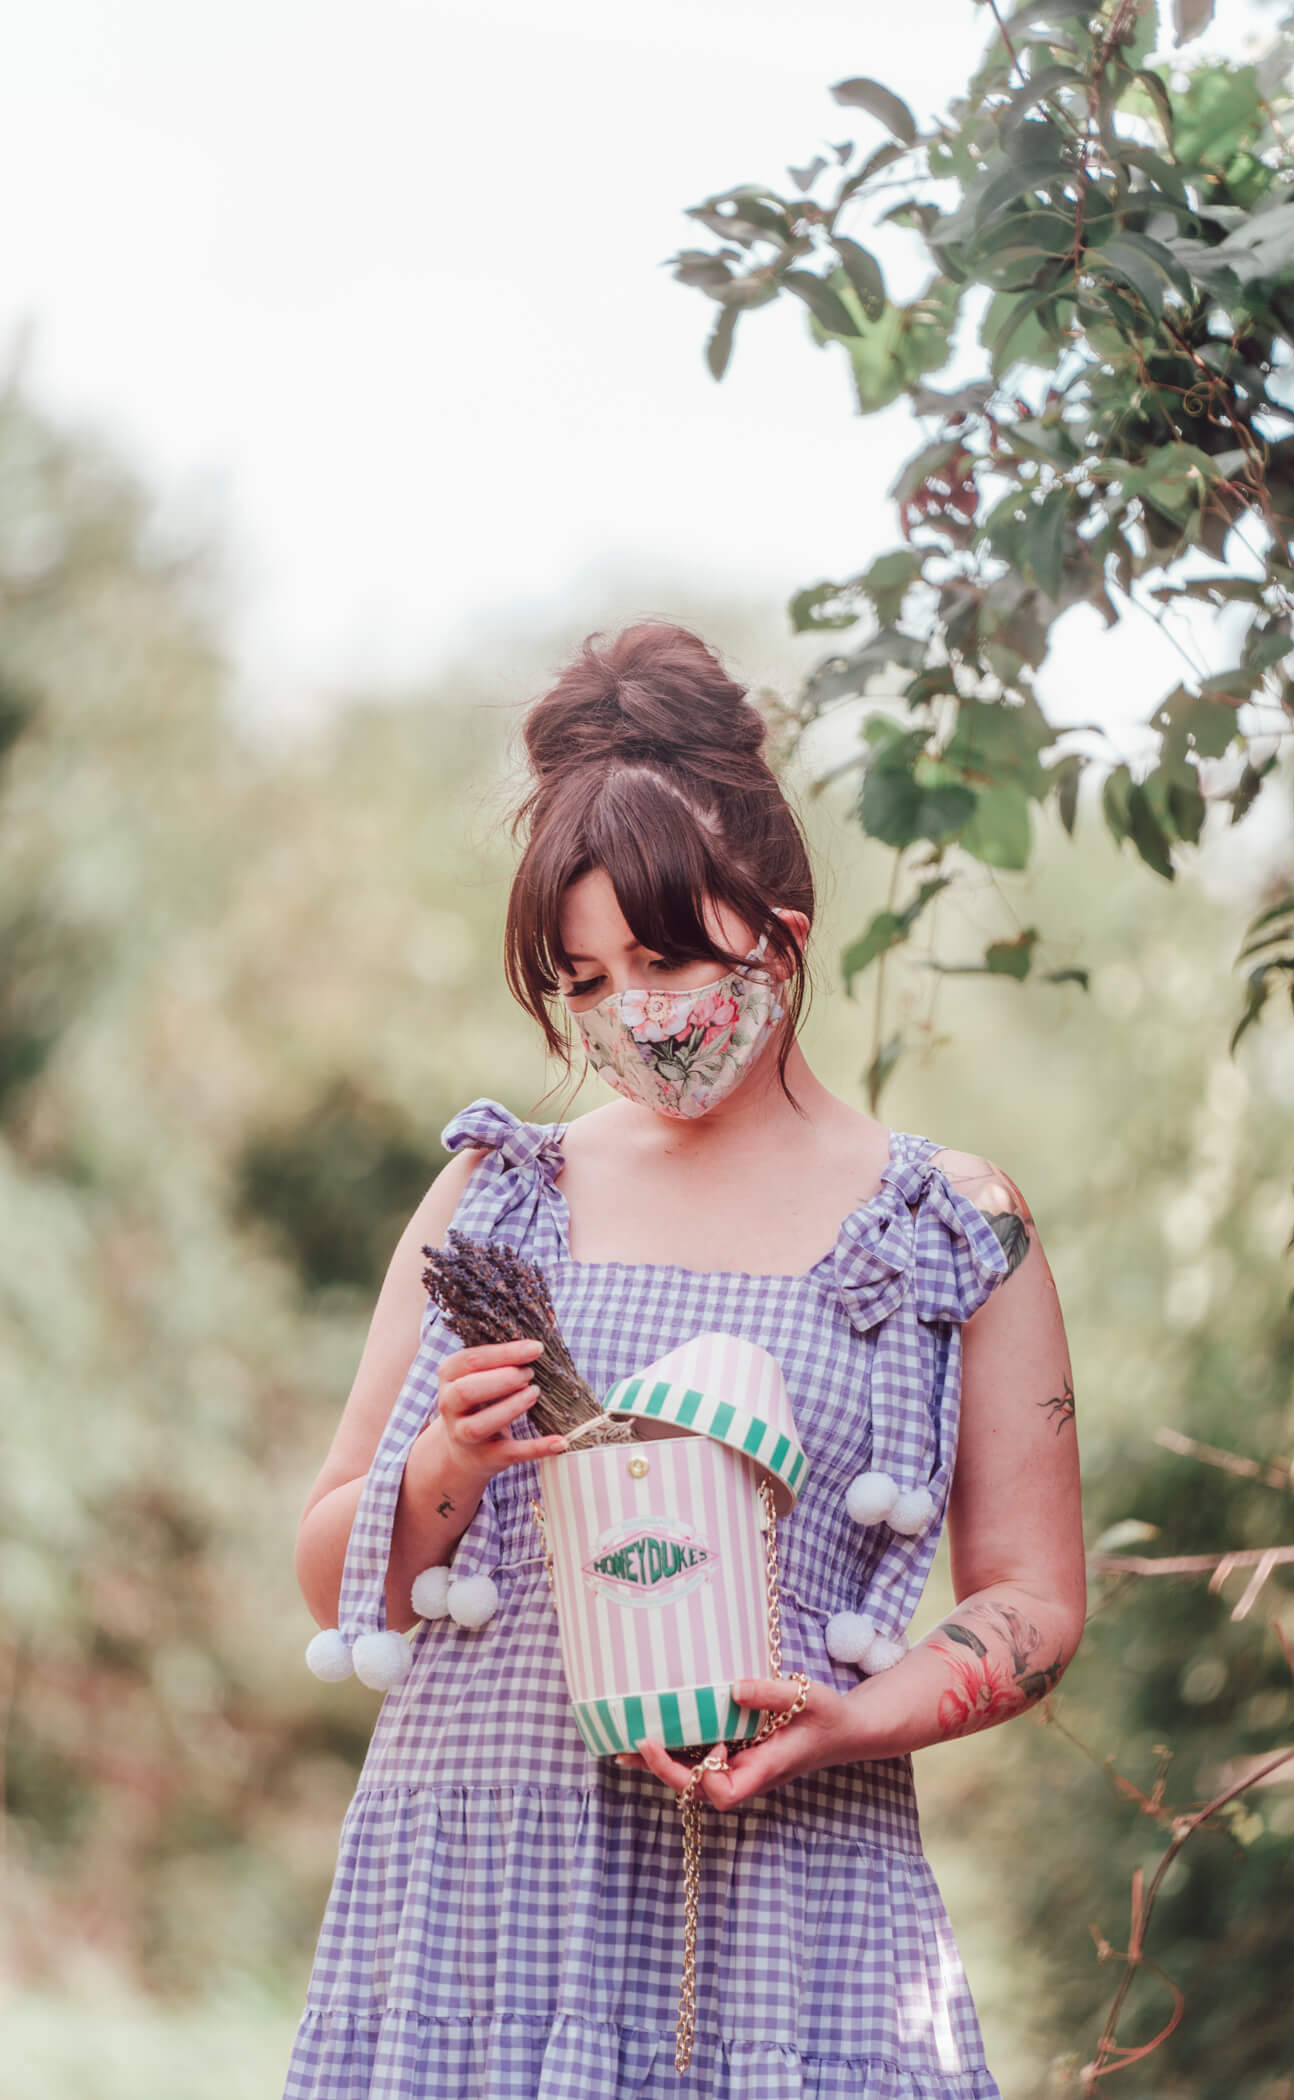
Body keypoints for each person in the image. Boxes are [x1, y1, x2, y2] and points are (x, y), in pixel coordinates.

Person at [283, 620, 1085, 2100]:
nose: (630, 1012)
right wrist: (447, 1465)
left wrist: (862, 1717)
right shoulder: (497, 1193)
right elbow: (333, 1565)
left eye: (662, 955)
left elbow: (1035, 1603)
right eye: (583, 981)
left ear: (780, 923)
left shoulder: (951, 1226)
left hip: (797, 1894)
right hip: (482, 1891)